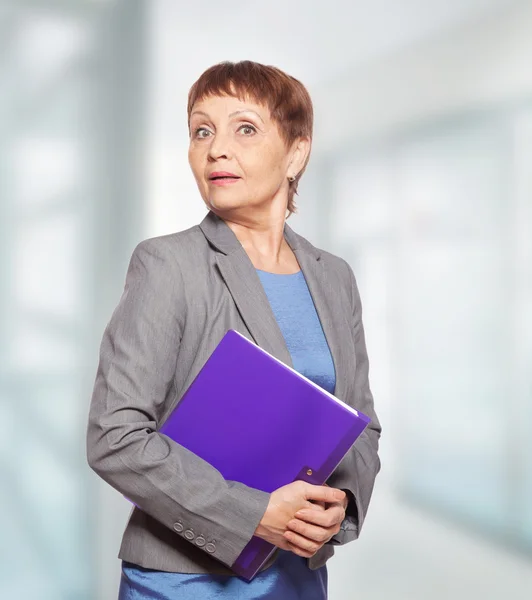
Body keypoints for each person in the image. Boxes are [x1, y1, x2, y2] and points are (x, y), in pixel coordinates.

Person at [86, 60, 382, 600]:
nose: (216, 148)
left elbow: (361, 428)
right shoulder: (167, 264)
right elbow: (115, 437)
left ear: (296, 152)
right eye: (202, 130)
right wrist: (253, 514)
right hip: (182, 582)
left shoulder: (334, 277)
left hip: (297, 576)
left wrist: (340, 508)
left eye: (244, 128)